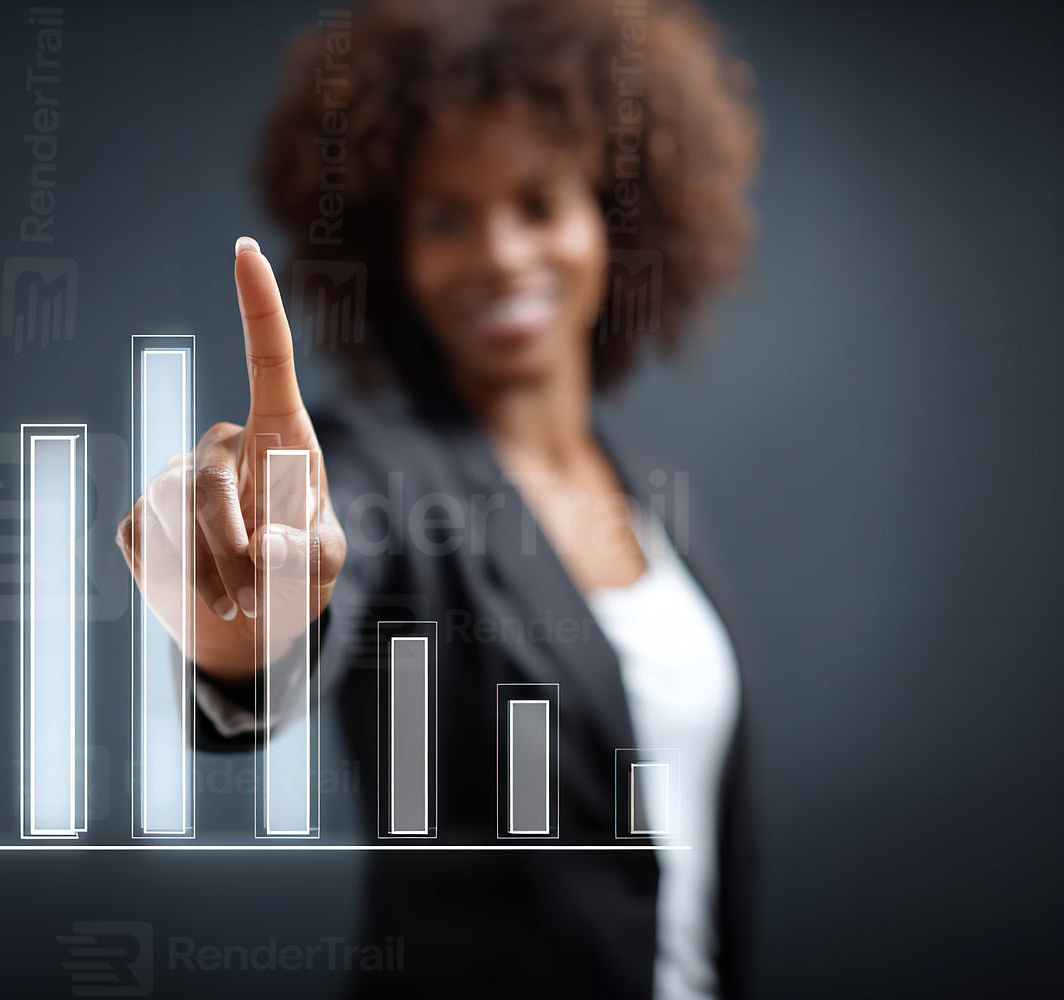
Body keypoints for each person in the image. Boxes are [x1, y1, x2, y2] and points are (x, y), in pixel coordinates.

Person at [115, 0, 762, 995]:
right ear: (393, 253)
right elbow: (306, 608)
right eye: (446, 217)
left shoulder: (656, 498)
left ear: (616, 218)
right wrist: (244, 640)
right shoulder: (375, 469)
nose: (501, 253)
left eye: (539, 202)